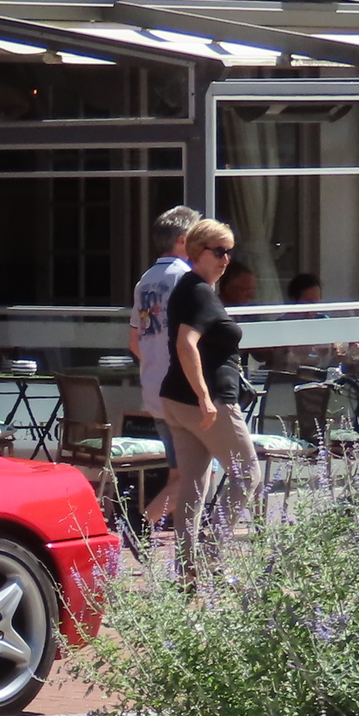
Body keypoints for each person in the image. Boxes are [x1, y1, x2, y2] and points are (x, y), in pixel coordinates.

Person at [149, 217, 259, 564]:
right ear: (198, 252)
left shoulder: (191, 288)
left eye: (229, 252)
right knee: (247, 476)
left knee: (193, 486)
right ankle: (212, 557)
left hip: (177, 401)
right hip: (205, 401)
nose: (226, 259)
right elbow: (186, 344)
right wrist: (203, 396)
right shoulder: (197, 290)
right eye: (219, 252)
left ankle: (187, 570)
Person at [126, 205, 203, 508]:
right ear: (184, 240)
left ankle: (149, 532)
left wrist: (154, 362)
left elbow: (134, 339)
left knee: (178, 473)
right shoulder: (187, 279)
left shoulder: (146, 279)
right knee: (197, 472)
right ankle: (145, 525)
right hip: (182, 391)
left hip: (153, 388)